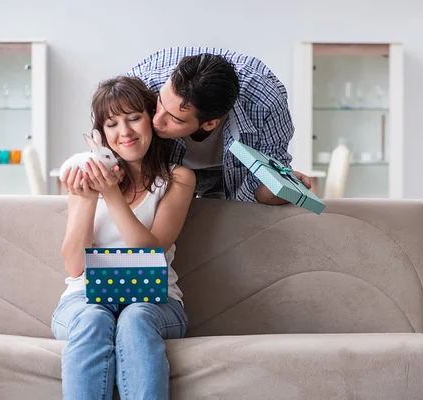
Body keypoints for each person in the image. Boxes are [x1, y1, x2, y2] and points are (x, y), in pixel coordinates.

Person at [51, 75, 195, 400]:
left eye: (133, 118)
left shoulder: (178, 179)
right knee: (92, 317)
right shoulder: (86, 176)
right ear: (101, 134)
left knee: (135, 317)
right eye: (112, 123)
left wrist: (111, 195)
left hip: (154, 301)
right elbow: (75, 267)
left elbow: (152, 253)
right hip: (84, 299)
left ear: (151, 120)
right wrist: (88, 198)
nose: (125, 132)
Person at [128, 46, 311, 203]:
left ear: (210, 124)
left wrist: (282, 189)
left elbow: (262, 190)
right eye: (160, 102)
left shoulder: (267, 103)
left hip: (228, 174)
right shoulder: (143, 84)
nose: (155, 120)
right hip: (165, 169)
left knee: (229, 233)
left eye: (175, 119)